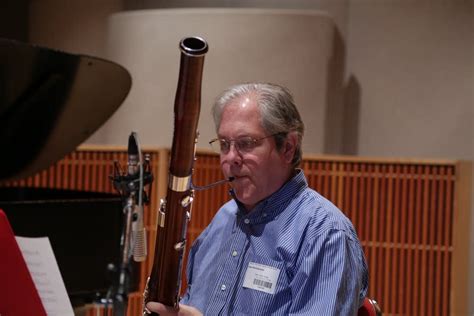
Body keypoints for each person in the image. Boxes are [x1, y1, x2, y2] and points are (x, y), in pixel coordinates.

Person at [146, 83, 368, 315]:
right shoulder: (223, 219)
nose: (230, 158)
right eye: (224, 145)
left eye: (246, 144)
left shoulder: (325, 233)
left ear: (288, 148)